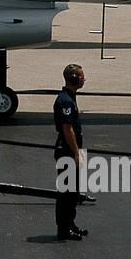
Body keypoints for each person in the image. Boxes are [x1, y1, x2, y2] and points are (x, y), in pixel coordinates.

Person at [53, 64, 88, 240]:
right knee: (66, 192)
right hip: (66, 152)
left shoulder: (70, 97)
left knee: (72, 192)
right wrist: (76, 153)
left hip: (70, 151)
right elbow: (68, 129)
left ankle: (70, 224)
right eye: (81, 76)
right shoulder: (66, 100)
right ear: (73, 77)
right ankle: (63, 228)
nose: (84, 79)